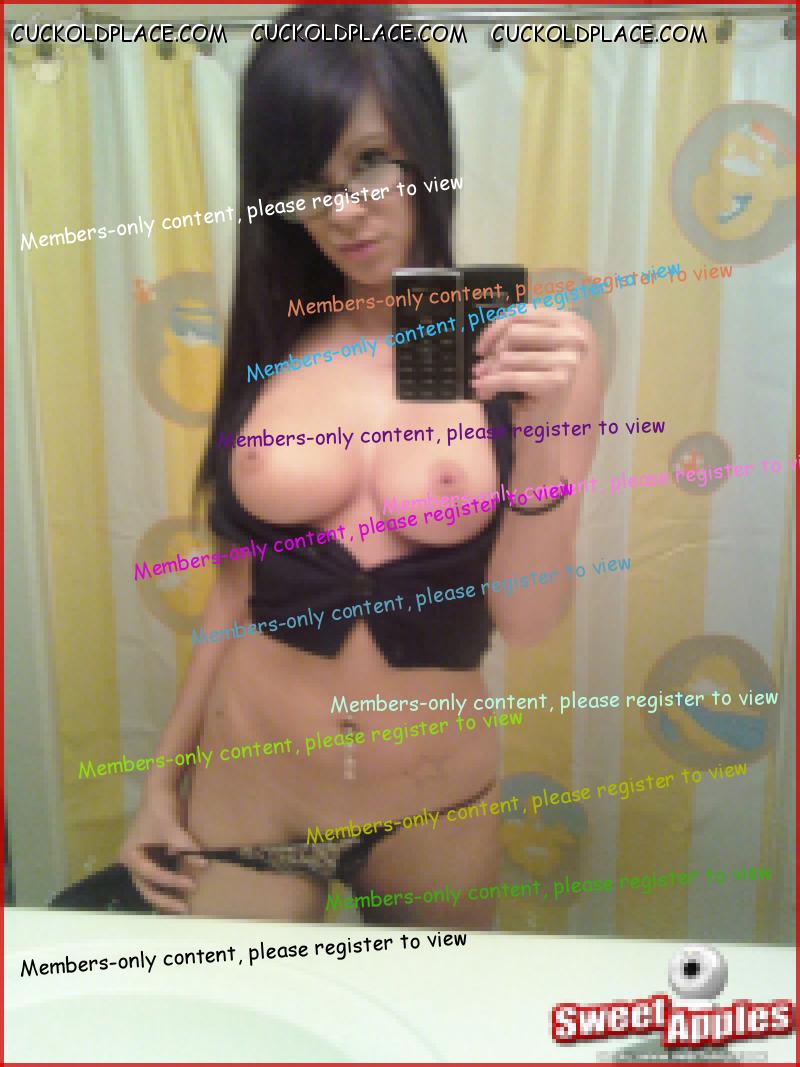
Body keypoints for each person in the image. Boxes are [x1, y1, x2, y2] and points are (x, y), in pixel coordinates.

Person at [120, 2, 601, 928]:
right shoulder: (276, 345)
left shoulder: (524, 353)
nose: (342, 210)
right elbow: (233, 592)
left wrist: (550, 434)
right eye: (307, 180)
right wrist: (160, 781)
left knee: (423, 1010)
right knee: (237, 1011)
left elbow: (529, 618)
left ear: (427, 146)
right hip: (249, 793)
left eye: (371, 160)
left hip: (433, 805)